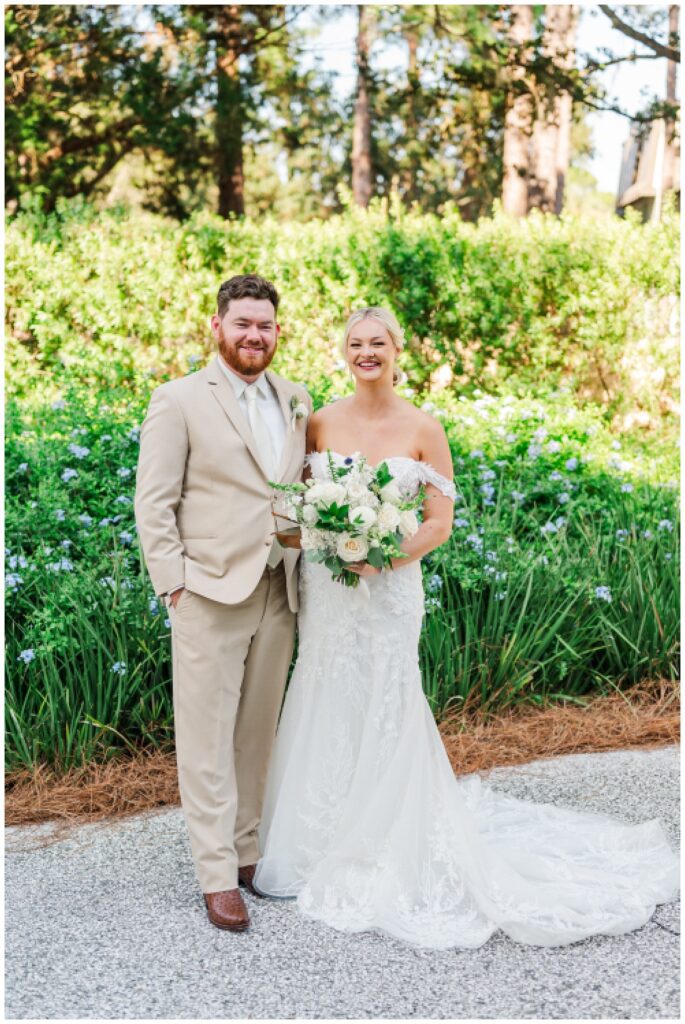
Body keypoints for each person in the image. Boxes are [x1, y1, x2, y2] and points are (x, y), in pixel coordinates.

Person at [252, 306, 680, 949]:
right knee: (325, 691)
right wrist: (332, 540)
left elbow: (438, 523)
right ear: (343, 352)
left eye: (378, 343)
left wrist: (382, 557)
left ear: (398, 350)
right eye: (355, 344)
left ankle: (388, 831)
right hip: (331, 591)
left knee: (388, 697)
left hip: (391, 589)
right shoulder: (319, 421)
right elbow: (297, 507)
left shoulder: (424, 427)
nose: (366, 353)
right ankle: (318, 836)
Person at [134, 273, 311, 932]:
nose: (253, 335)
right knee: (205, 739)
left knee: (255, 732)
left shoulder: (296, 398)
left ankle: (245, 852)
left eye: (264, 325)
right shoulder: (178, 399)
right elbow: (153, 502)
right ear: (217, 327)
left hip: (278, 587)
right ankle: (215, 876)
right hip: (207, 590)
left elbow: (296, 490)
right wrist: (173, 585)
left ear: (276, 330)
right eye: (242, 323)